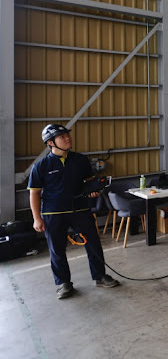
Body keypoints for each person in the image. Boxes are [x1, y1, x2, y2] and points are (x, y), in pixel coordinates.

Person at [28, 124, 120, 299]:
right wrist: (36, 218)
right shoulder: (41, 166)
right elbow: (34, 193)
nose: (67, 138)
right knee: (57, 249)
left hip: (80, 210)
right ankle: (64, 283)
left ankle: (100, 276)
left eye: (67, 135)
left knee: (93, 243)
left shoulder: (80, 160)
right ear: (50, 142)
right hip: (53, 214)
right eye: (62, 137)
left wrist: (94, 190)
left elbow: (89, 182)